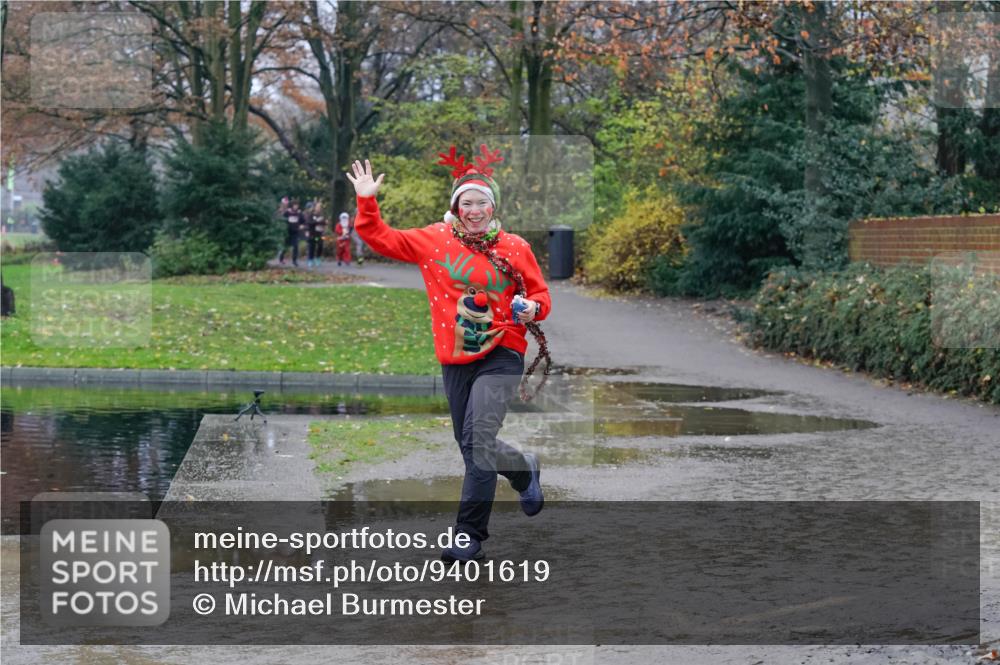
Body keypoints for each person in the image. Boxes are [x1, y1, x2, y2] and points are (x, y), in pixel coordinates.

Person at [346, 148, 550, 562]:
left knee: (478, 441)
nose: (474, 211)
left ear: (493, 207)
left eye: (482, 203)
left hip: (503, 350)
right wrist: (367, 201)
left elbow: (540, 296)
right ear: (456, 207)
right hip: (456, 357)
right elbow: (380, 237)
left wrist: (532, 308)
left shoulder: (515, 247)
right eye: (466, 203)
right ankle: (522, 469)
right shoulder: (434, 240)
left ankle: (468, 535)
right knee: (471, 443)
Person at [278, 198, 303, 266]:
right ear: (292, 205)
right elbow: (282, 220)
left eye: (297, 205)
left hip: (295, 232)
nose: (296, 206)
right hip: (288, 232)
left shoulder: (299, 213)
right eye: (295, 205)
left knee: (295, 246)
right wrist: (284, 227)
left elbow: (303, 221)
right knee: (286, 246)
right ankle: (281, 258)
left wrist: (302, 225)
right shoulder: (288, 212)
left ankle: (294, 261)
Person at [307, 200, 327, 267]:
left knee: (320, 246)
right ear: (314, 207)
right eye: (317, 207)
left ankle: (318, 258)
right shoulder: (311, 214)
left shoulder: (322, 215)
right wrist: (317, 222)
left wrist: (323, 223)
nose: (319, 208)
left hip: (320, 234)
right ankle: (310, 259)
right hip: (313, 234)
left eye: (320, 207)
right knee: (312, 246)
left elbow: (324, 223)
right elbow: (309, 223)